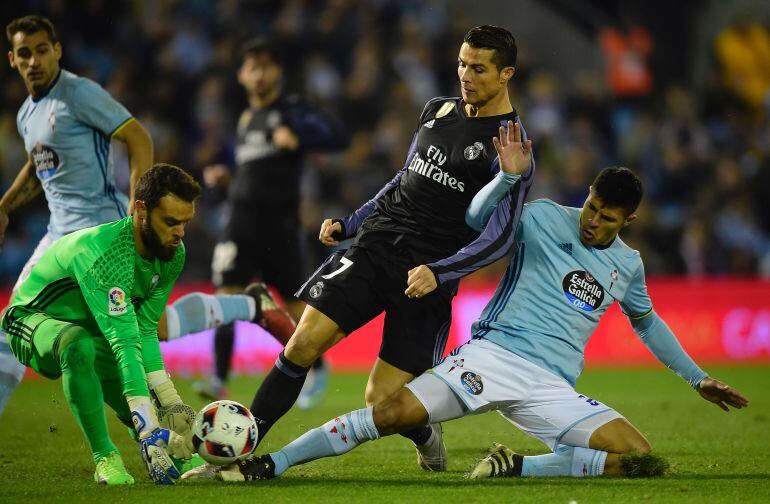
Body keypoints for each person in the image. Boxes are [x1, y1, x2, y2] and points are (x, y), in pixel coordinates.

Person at [184, 162, 749, 482]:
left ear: (631, 220)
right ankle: (269, 464)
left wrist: (697, 378)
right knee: (388, 412)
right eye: (593, 207)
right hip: (489, 356)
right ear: (589, 197)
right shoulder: (544, 218)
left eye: (608, 218)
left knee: (639, 458)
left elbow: (648, 325)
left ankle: (516, 468)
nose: (595, 222)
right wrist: (505, 180)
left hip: (551, 385)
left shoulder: (628, 264)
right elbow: (478, 218)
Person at [235, 25, 535, 472]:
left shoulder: (510, 146)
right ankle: (236, 450)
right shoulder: (438, 109)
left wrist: (442, 271)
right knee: (303, 344)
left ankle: (424, 431)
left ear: (506, 73)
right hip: (376, 244)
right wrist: (351, 223)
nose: (465, 75)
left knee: (381, 400)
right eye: (461, 63)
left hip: (426, 274)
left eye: (478, 68)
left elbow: (501, 235)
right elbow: (404, 179)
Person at [0, 15, 268, 417]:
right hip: (59, 237)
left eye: (41, 50)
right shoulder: (26, 114)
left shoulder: (78, 93)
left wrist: (137, 203)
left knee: (149, 329)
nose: (34, 60)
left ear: (57, 51)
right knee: (13, 327)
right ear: (12, 59)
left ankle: (248, 306)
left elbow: (137, 134)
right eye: (25, 53)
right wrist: (4, 206)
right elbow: (41, 166)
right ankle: (249, 306)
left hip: (100, 229)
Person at [1, 164, 205, 485]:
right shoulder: (105, 255)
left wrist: (170, 401)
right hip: (31, 320)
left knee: (131, 396)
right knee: (77, 343)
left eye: (185, 223)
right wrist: (148, 425)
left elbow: (145, 329)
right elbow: (125, 345)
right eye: (170, 222)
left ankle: (162, 445)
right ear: (141, 210)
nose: (179, 233)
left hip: (96, 330)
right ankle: (105, 458)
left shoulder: (170, 253)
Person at [195, 37, 349, 407]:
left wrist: (300, 137)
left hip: (279, 226)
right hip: (240, 223)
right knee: (226, 296)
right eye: (252, 68)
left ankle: (317, 364)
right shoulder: (246, 120)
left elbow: (339, 137)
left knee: (296, 308)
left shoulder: (292, 110)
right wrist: (227, 181)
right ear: (242, 76)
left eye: (266, 66)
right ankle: (218, 379)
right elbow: (256, 171)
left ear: (277, 71)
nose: (259, 75)